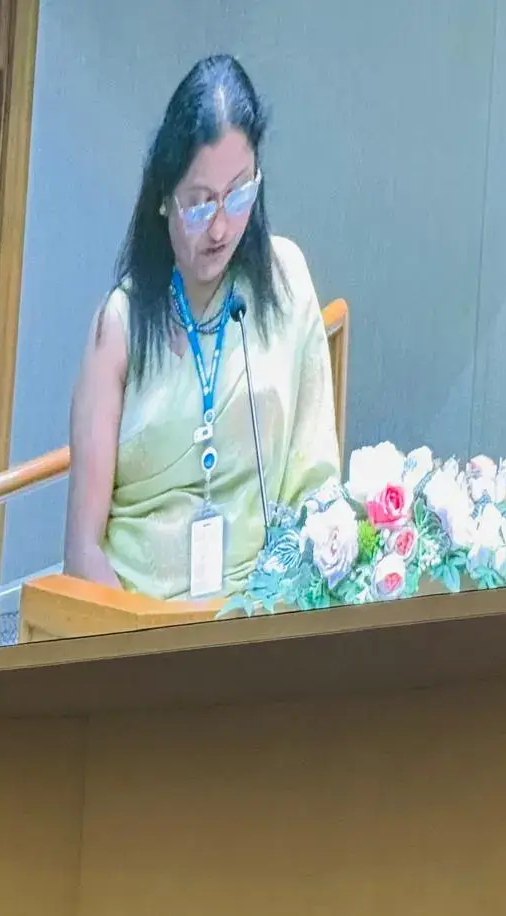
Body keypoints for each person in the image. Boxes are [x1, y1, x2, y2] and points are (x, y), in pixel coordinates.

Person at [64, 56, 339, 601]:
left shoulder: (285, 283)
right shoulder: (119, 324)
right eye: (199, 203)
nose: (219, 227)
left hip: (258, 627)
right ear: (164, 196)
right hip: (139, 636)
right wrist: (147, 655)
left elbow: (318, 492)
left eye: (238, 195)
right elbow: (83, 549)